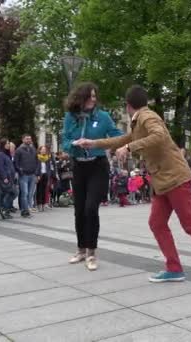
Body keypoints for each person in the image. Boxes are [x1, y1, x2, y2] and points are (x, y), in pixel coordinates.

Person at [75, 85, 191, 283]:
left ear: (127, 105)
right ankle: (174, 268)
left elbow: (159, 136)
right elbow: (122, 138)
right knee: (157, 223)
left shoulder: (147, 117)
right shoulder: (138, 121)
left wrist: (129, 147)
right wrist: (94, 143)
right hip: (162, 181)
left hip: (175, 178)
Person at [62, 82, 123, 271]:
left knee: (90, 208)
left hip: (98, 166)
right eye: (90, 96)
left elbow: (117, 135)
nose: (93, 99)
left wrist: (120, 145)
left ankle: (91, 253)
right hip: (78, 166)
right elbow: (64, 142)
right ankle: (80, 250)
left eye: (95, 96)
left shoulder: (103, 117)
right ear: (80, 98)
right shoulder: (70, 118)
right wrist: (74, 143)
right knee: (79, 210)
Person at [14, 135, 39, 218]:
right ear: (23, 139)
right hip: (24, 175)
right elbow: (16, 163)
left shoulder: (33, 149)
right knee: (24, 193)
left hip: (32, 175)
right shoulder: (19, 150)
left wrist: (36, 172)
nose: (29, 140)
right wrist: (20, 171)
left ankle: (28, 209)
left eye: (30, 139)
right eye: (27, 139)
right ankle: (25, 211)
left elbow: (37, 161)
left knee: (30, 194)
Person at [0, 138, 16, 218]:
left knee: (10, 193)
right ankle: (4, 209)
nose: (8, 145)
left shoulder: (7, 154)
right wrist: (4, 177)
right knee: (10, 193)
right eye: (7, 143)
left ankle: (5, 210)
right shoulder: (1, 154)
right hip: (5, 178)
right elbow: (0, 167)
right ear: (3, 144)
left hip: (10, 178)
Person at [36, 146, 52, 212]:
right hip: (40, 175)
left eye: (45, 150)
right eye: (42, 150)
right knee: (39, 190)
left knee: (44, 190)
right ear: (39, 150)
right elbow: (36, 167)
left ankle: (43, 204)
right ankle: (39, 204)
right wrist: (37, 175)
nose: (44, 151)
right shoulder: (37, 157)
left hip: (45, 175)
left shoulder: (47, 158)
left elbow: (49, 168)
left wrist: (49, 175)